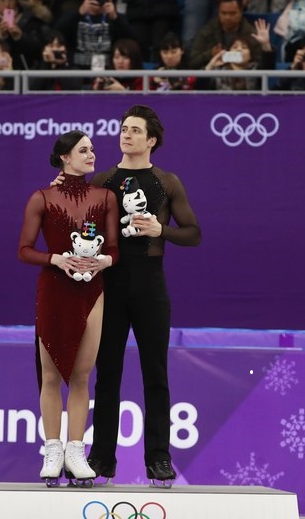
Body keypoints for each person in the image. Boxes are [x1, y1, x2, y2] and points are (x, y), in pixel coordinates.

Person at [86, 105, 202, 486]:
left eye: (135, 130)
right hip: (111, 283)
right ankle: (102, 459)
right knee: (107, 375)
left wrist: (159, 230)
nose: (126, 134)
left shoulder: (167, 181)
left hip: (151, 284)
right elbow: (83, 225)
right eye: (123, 128)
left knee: (156, 373)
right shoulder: (102, 179)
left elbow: (194, 234)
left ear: (151, 140)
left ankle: (159, 460)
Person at [18, 130, 119, 487]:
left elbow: (114, 249)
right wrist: (56, 259)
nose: (91, 154)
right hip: (54, 289)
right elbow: (24, 249)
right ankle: (52, 449)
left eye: (92, 149)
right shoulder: (41, 197)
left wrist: (103, 261)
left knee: (80, 376)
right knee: (49, 376)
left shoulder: (105, 196)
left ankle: (76, 451)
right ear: (64, 156)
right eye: (83, 150)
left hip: (92, 291)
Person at [187, 0, 262, 69]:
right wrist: (210, 54)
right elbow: (192, 62)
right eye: (224, 13)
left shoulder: (251, 34)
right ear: (218, 12)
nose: (228, 17)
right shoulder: (207, 31)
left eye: (232, 13)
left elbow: (261, 63)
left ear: (241, 12)